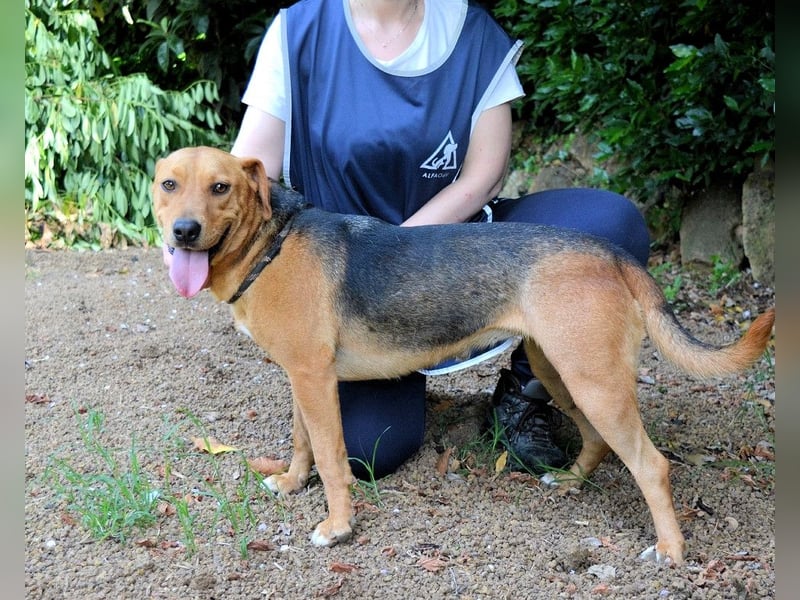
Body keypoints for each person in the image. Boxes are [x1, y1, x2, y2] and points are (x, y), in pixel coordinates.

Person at [231, 0, 651, 480]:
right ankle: (387, 373)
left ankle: (528, 390)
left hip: (458, 254)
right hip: (348, 286)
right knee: (364, 451)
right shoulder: (297, 29)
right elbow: (249, 170)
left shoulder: (472, 30)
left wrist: (398, 252)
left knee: (609, 226)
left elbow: (482, 178)